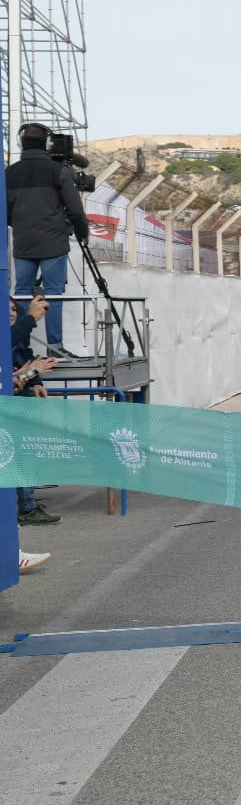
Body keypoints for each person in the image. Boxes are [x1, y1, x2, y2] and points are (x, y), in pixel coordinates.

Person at [6, 122, 91, 358]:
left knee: (22, 292)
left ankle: (18, 346)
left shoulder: (9, 173)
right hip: (53, 242)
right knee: (53, 293)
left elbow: (5, 212)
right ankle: (55, 348)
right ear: (46, 143)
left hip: (23, 243)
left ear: (21, 143)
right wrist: (83, 231)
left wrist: (22, 224)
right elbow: (75, 208)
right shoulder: (59, 171)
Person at [12, 294, 63, 526]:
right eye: (6, 309)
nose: (11, 312)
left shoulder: (17, 335)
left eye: (14, 308)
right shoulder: (10, 334)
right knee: (19, 455)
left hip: (19, 401)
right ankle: (27, 508)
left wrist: (35, 381)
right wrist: (31, 317)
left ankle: (27, 506)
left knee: (22, 454)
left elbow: (24, 361)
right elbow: (13, 378)